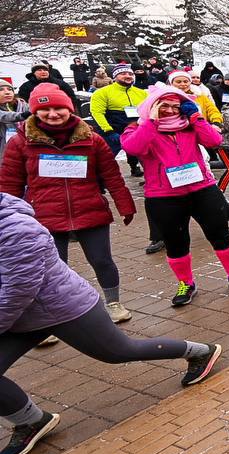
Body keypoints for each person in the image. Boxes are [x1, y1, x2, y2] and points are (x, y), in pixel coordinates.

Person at [0, 193, 222, 454]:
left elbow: (17, 291)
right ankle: (31, 421)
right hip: (22, 317)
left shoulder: (17, 230)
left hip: (63, 307)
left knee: (119, 351)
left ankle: (199, 352)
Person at [0, 82, 136, 326]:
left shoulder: (92, 140)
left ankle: (113, 302)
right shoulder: (21, 142)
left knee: (102, 260)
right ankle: (51, 316)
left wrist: (125, 204)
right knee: (49, 269)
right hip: (44, 215)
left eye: (58, 108)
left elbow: (111, 175)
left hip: (89, 210)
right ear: (34, 112)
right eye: (45, 110)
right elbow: (10, 184)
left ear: (70, 109)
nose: (53, 114)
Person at [121, 85, 229, 305]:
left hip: (202, 189)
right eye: (165, 106)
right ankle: (186, 283)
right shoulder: (137, 128)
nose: (172, 111)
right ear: (152, 106)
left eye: (176, 106)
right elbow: (134, 148)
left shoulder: (190, 125)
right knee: (176, 243)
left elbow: (213, 141)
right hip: (163, 196)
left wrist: (196, 116)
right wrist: (152, 121)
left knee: (221, 234)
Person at [90, 63, 149, 178]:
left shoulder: (141, 93)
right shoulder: (102, 92)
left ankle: (143, 173)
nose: (127, 76)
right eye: (123, 74)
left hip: (135, 127)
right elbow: (97, 112)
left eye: (130, 74)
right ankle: (98, 180)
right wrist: (108, 130)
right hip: (113, 128)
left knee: (143, 155)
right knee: (106, 158)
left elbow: (148, 111)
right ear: (115, 77)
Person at [0, 78, 30, 169]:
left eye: (10, 89)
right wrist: (22, 115)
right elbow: (3, 116)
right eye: (1, 90)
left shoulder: (24, 105)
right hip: (3, 147)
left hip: (25, 144)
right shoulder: (23, 113)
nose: (7, 92)